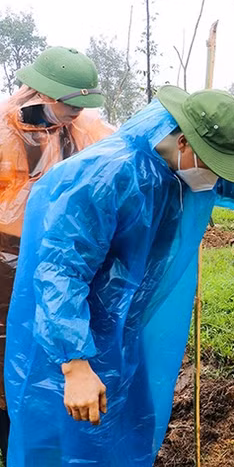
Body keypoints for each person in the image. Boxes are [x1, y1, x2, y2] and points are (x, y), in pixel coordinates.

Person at [4, 86, 234, 466]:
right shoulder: (104, 178)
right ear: (184, 142)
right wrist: (74, 363)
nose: (218, 177)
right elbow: (60, 272)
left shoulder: (191, 167)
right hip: (72, 334)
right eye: (214, 164)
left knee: (126, 425)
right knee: (70, 438)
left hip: (123, 329)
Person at [0, 46, 114, 460]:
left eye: (77, 109)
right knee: (5, 355)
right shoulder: (3, 131)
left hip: (61, 257)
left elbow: (119, 160)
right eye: (67, 107)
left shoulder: (84, 131)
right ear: (39, 93)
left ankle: (45, 435)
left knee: (49, 351)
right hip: (5, 264)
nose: (72, 115)